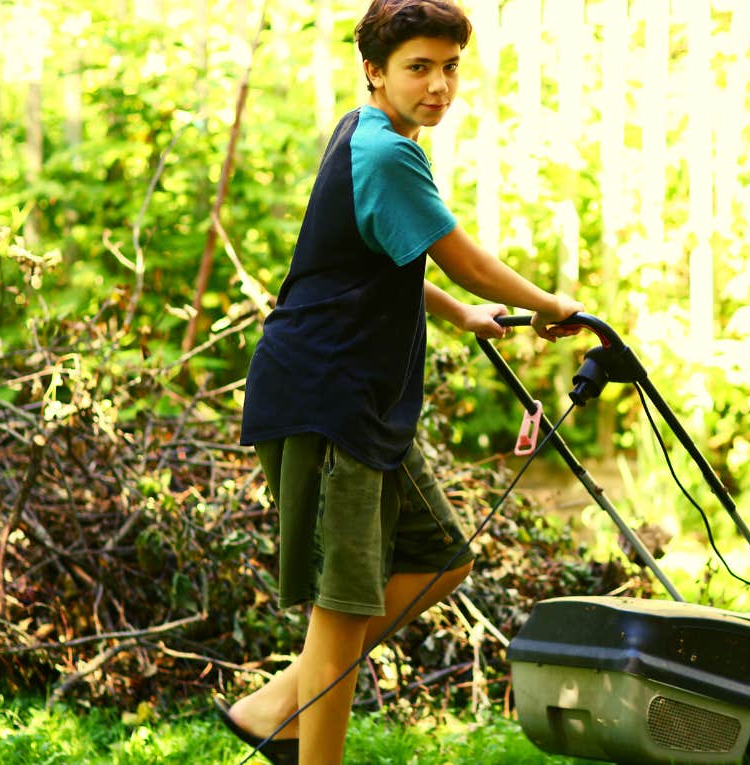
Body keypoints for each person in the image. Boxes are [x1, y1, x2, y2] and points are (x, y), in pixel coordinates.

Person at [212, 1, 584, 762]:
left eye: (450, 66)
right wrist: (547, 306)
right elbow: (461, 255)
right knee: (342, 610)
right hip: (328, 401)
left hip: (364, 405)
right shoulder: (383, 151)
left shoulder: (373, 134)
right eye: (419, 67)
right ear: (375, 71)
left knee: (443, 556)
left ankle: (275, 705)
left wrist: (458, 315)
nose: (439, 84)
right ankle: (301, 736)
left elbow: (392, 256)